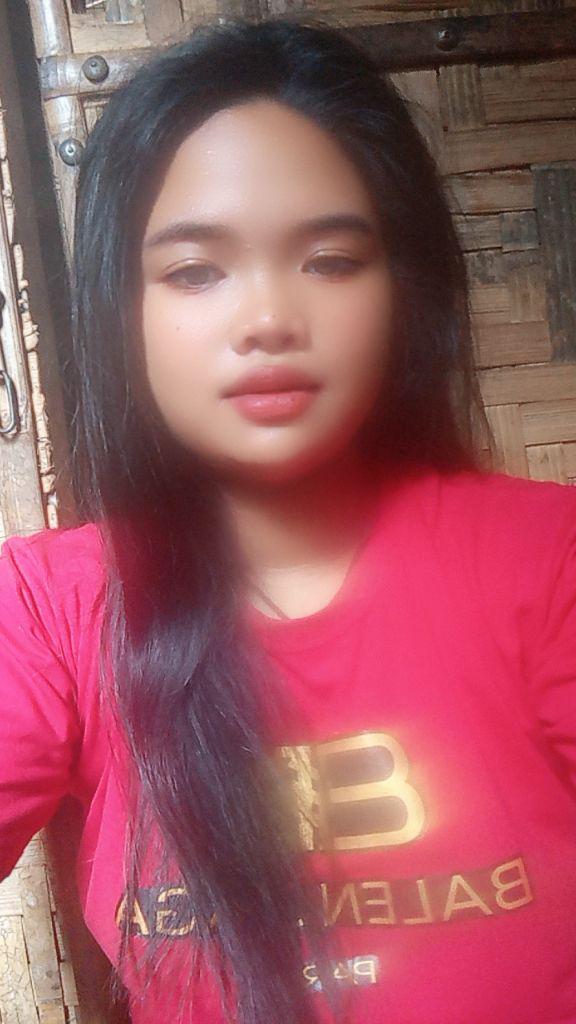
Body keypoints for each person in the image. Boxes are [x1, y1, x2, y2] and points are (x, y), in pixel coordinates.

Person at [1, 15, 575, 1024]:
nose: (268, 319)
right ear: (122, 310)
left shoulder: (547, 560)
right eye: (195, 271)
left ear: (405, 292)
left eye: (331, 260)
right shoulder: (49, 610)